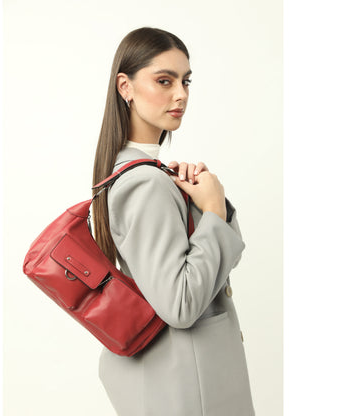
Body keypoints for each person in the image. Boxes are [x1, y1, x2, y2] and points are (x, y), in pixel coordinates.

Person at [92, 27, 255, 416]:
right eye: (164, 81)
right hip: (191, 387)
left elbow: (217, 264)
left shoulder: (150, 174)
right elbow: (180, 305)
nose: (180, 94)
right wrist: (212, 212)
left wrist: (209, 207)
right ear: (126, 87)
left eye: (186, 81)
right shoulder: (145, 182)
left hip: (186, 379)